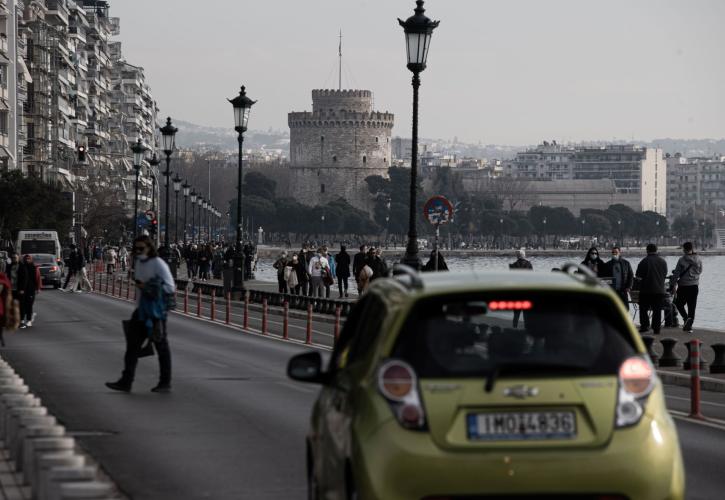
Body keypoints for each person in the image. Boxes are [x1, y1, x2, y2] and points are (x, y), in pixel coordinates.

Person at [106, 235, 175, 393]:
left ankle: (165, 382)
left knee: (161, 345)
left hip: (157, 311)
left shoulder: (158, 263)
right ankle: (126, 381)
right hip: (141, 309)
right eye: (135, 249)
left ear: (150, 248)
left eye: (141, 248)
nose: (138, 251)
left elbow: (170, 286)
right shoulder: (138, 263)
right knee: (132, 345)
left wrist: (151, 287)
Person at [635, 243, 668, 335]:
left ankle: (645, 326)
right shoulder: (663, 261)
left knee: (643, 309)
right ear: (656, 250)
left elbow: (638, 276)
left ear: (647, 251)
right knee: (657, 310)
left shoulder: (644, 262)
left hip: (646, 290)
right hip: (659, 290)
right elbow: (664, 274)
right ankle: (656, 328)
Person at [671, 241, 703, 333]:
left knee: (678, 304)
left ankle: (685, 318)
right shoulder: (698, 259)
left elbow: (676, 274)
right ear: (692, 248)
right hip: (694, 286)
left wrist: (673, 284)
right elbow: (700, 271)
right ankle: (689, 326)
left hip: (683, 286)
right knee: (692, 306)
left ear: (684, 249)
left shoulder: (681, 260)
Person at [17, 254, 41, 329]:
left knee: (29, 305)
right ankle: (22, 320)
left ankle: (29, 320)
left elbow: (38, 278)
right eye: (26, 258)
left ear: (31, 259)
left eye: (28, 258)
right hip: (23, 289)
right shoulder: (21, 267)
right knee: (22, 305)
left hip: (31, 289)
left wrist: (38, 288)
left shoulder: (34, 268)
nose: (27, 260)